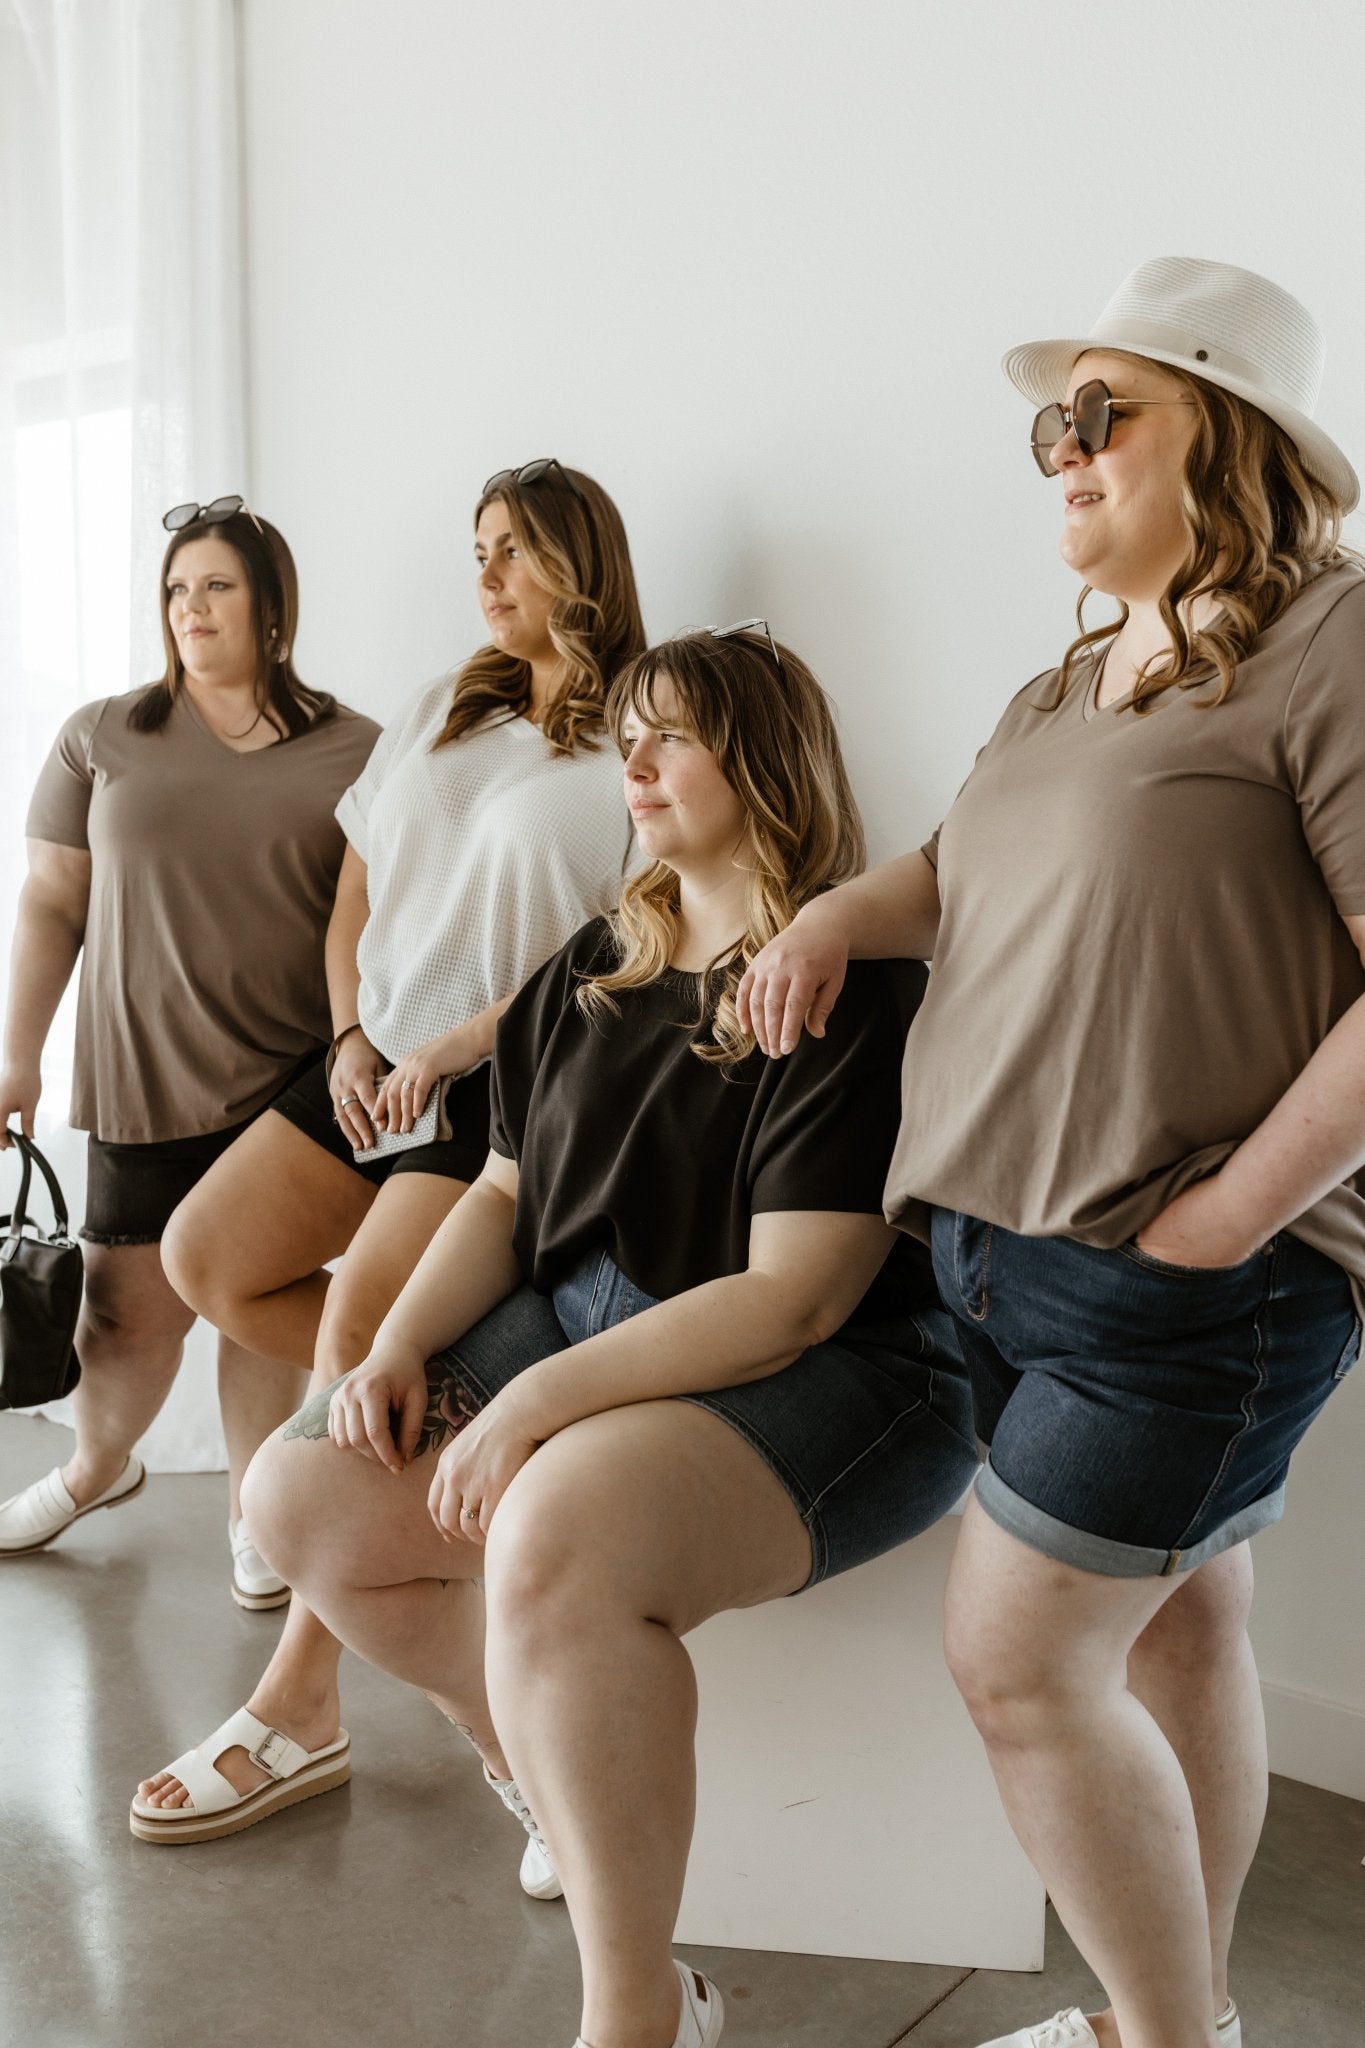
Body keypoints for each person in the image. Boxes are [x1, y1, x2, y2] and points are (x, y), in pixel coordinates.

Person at [737, 258, 1364, 2048]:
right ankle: (1182, 2014)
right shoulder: (1070, 681)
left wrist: (1232, 1213)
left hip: (1184, 1290)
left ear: (1227, 436)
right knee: (1178, 1632)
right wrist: (832, 918)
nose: (1062, 453)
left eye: (1102, 415)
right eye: (1049, 428)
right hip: (1004, 1257)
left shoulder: (1335, 640)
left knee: (1016, 1665)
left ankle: (1166, 2036)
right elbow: (952, 874)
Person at [231, 625, 978, 2048]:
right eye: (628, 736)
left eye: (671, 736)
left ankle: (641, 2012)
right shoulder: (590, 964)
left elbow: (794, 1300)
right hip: (590, 1320)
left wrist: (527, 1410)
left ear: (763, 761)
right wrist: (395, 1347)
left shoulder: (845, 984)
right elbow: (501, 1198)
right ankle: (546, 1769)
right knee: (296, 1491)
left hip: (838, 1372)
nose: (633, 762)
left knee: (554, 1528)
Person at [132, 460, 646, 1843]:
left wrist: (457, 1047)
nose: (488, 576)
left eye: (515, 550)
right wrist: (352, 1033)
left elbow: (618, 951)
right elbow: (359, 878)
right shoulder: (447, 700)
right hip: (375, 1059)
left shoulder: (638, 733)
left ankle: (299, 1703)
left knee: (358, 1320)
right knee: (206, 1257)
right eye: (478, 550)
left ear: (583, 560)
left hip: (494, 1083)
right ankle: (410, 1421)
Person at [0, 499, 379, 1603]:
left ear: (271, 606)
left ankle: (253, 1507)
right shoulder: (102, 734)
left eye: (216, 585)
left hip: (292, 1080)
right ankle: (96, 1467)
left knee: (256, 1289)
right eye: (175, 588)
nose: (190, 607)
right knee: (122, 1319)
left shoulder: (357, 751)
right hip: (143, 1073)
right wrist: (18, 1054)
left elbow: (375, 917)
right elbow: (51, 902)